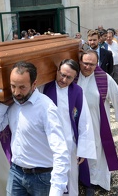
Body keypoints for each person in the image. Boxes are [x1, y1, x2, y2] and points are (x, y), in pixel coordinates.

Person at [0, 61, 70, 195]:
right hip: (16, 172)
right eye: (13, 86)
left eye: (22, 87)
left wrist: (56, 190)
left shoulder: (46, 108)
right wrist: (3, 105)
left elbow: (60, 151)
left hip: (42, 176)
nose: (16, 92)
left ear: (34, 84)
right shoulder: (12, 103)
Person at [40, 59, 96, 196]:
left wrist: (83, 149)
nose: (63, 80)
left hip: (69, 143)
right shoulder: (44, 88)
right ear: (57, 71)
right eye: (62, 74)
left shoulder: (77, 91)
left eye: (69, 77)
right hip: (46, 144)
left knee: (70, 180)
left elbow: (84, 121)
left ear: (74, 78)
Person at [76, 50, 118, 193]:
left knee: (96, 150)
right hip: (77, 122)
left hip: (96, 121)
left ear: (97, 64)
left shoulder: (104, 78)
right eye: (85, 63)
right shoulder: (73, 76)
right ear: (80, 61)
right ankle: (80, 177)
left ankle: (93, 181)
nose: (87, 67)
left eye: (92, 64)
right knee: (78, 150)